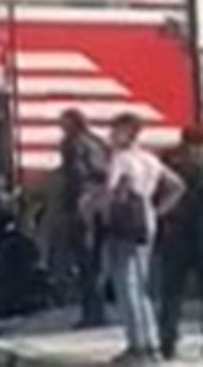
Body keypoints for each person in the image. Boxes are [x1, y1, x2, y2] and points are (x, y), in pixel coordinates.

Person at [102, 112, 185, 365]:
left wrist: (95, 209)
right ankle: (151, 344)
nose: (110, 135)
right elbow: (177, 185)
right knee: (142, 283)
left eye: (114, 130)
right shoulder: (150, 159)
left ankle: (137, 346)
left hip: (124, 225)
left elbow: (110, 192)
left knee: (126, 285)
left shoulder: (121, 159)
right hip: (147, 220)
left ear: (126, 132)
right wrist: (158, 211)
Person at [60, 108, 111, 328]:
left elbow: (82, 174)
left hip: (85, 207)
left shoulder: (76, 144)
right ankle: (95, 311)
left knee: (87, 262)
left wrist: (80, 200)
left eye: (64, 123)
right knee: (94, 263)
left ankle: (93, 313)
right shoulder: (96, 142)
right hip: (95, 206)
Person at [158, 126, 203, 361]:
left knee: (171, 293)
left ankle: (167, 342)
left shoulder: (168, 161)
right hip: (196, 234)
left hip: (174, 234)